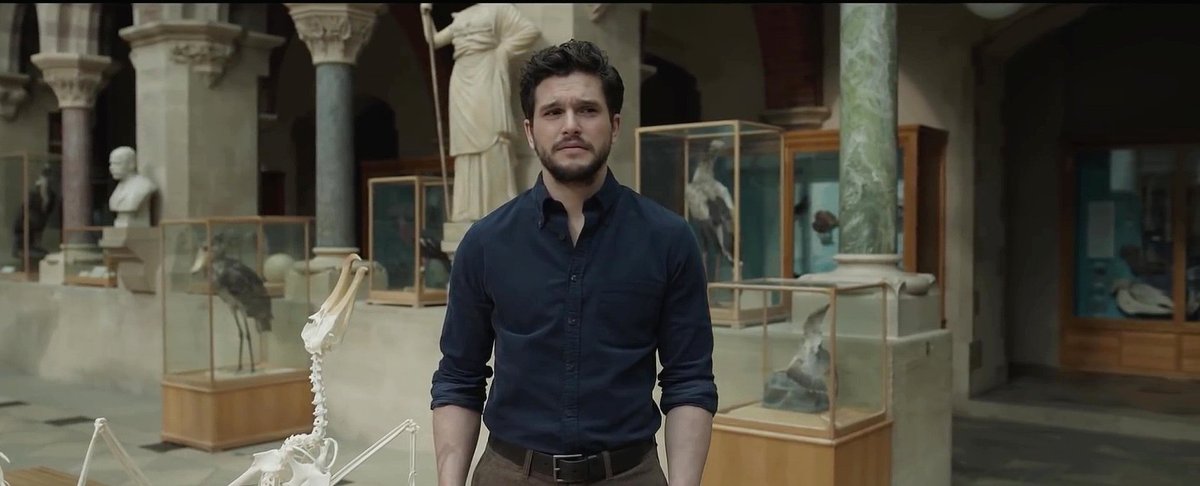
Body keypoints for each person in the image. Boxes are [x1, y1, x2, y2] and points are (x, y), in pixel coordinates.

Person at [430, 39, 717, 486]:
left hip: (629, 475)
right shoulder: (485, 243)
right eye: (553, 112)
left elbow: (689, 380)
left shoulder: (668, 239)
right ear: (530, 131)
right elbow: (459, 377)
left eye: (587, 110)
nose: (570, 125)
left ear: (614, 125)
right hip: (511, 474)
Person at [419, 3, 542, 223]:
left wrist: (503, 51)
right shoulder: (462, 16)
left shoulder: (499, 8)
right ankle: (467, 208)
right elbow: (434, 41)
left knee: (492, 132)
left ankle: (497, 203)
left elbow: (529, 30)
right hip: (462, 76)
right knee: (465, 143)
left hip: (487, 70)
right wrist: (425, 14)